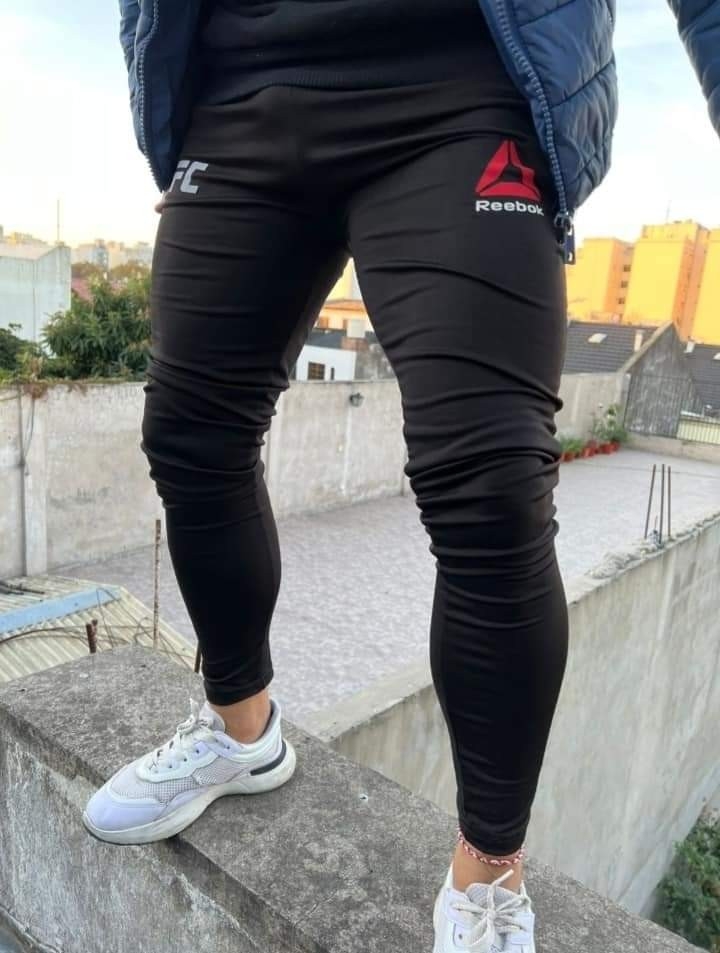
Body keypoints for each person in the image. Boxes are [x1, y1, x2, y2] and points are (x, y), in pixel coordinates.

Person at [83, 1, 719, 949]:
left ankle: (490, 871)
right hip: (240, 85)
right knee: (189, 435)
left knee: (491, 488)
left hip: (466, 80)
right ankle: (240, 730)